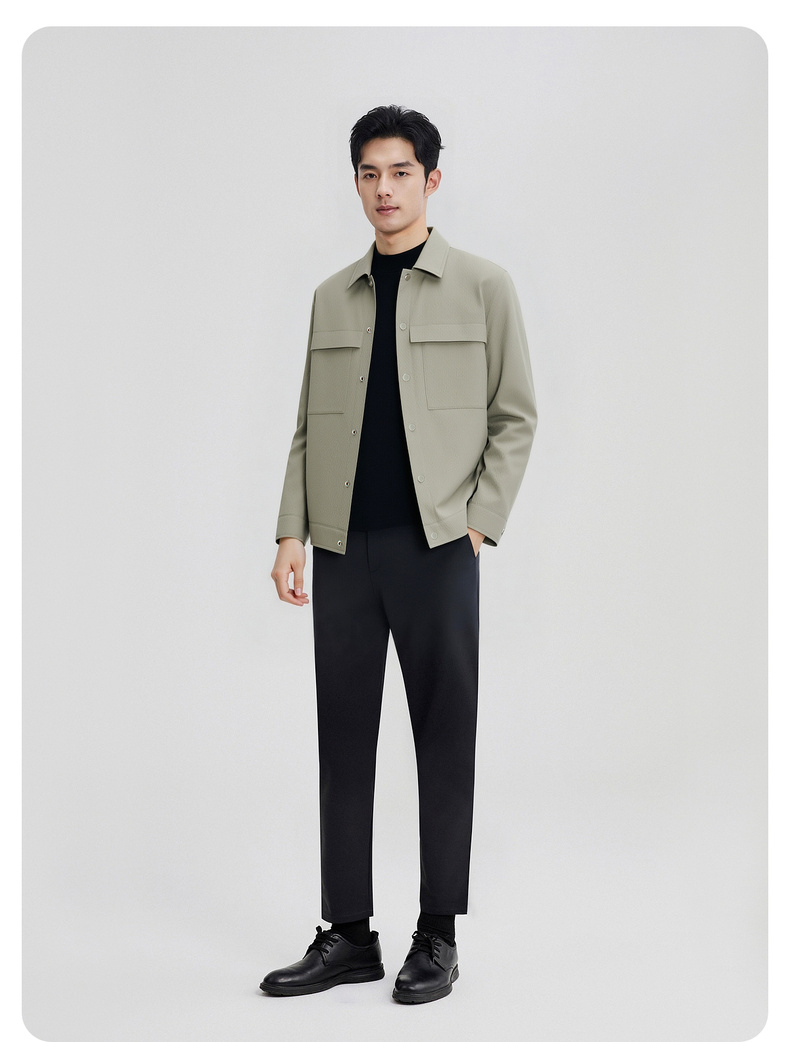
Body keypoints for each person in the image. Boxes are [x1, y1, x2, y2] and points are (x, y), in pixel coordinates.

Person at [260, 104, 537, 1004]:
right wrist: (291, 530)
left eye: (401, 172)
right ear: (356, 183)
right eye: (370, 174)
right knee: (342, 741)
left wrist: (479, 522)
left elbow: (516, 415)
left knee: (443, 738)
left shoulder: (483, 286)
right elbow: (308, 426)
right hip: (343, 548)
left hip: (436, 546)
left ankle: (437, 933)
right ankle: (348, 933)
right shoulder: (330, 296)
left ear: (432, 179)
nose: (385, 189)